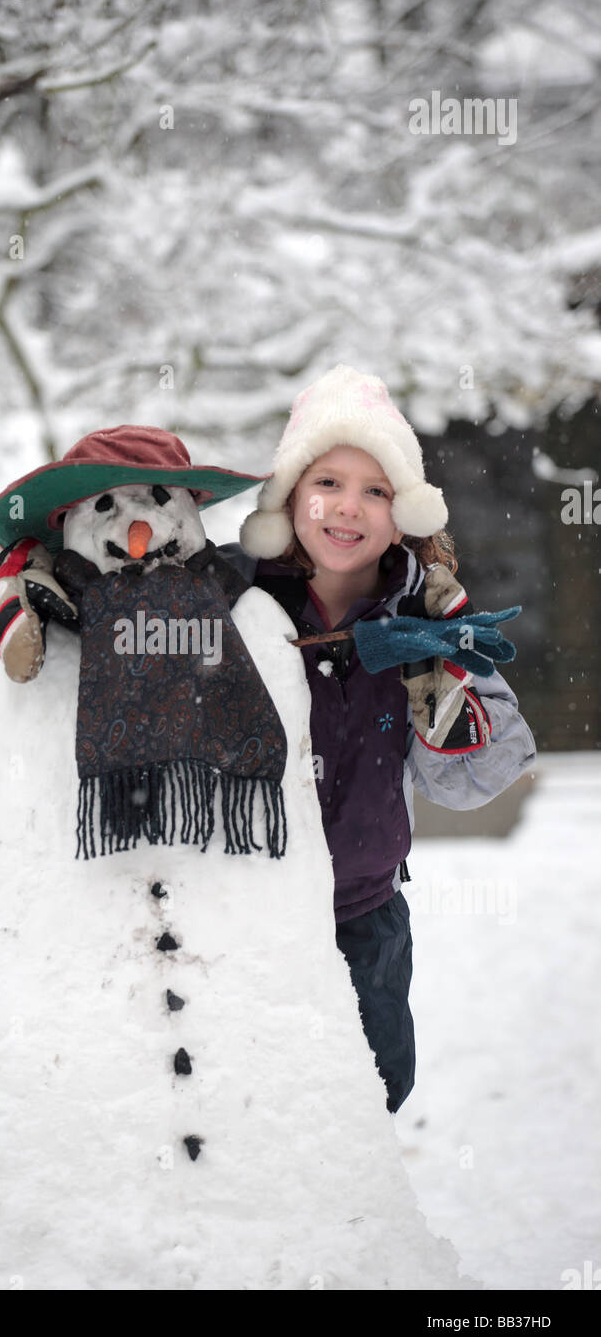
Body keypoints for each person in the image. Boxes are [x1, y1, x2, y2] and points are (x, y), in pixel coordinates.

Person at [223, 364, 536, 1113]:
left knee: (366, 1100)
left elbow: (469, 782)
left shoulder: (423, 616)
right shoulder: (227, 599)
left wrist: (444, 661)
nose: (348, 508)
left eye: (376, 490)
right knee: (247, 1112)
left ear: (406, 515)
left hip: (364, 916)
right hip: (242, 916)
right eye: (327, 481)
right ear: (290, 497)